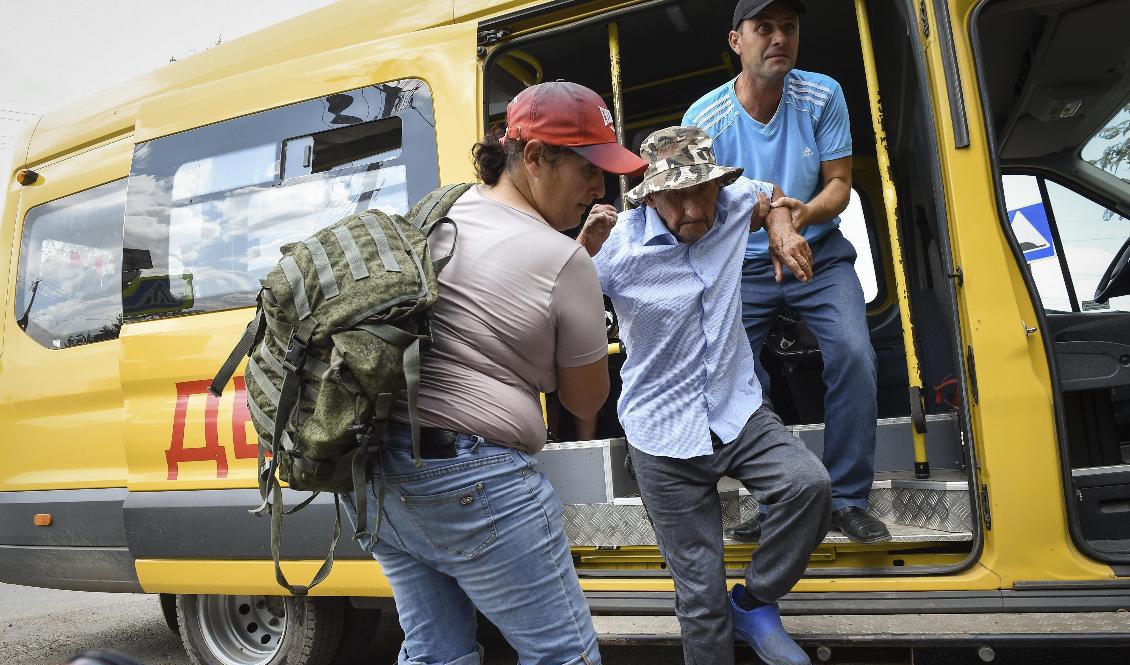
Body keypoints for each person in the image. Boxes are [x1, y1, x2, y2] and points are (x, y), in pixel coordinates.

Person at [343, 81, 648, 665]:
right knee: (566, 656)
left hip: (382, 471)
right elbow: (584, 400)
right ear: (534, 158)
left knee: (437, 653)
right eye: (587, 167)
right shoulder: (564, 260)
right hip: (476, 481)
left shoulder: (440, 211)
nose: (600, 186)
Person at [578, 125, 831, 665]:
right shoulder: (618, 244)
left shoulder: (733, 201)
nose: (695, 207)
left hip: (736, 410)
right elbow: (555, 311)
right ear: (650, 197)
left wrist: (783, 229)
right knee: (699, 595)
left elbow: (770, 201)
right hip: (661, 432)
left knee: (808, 486)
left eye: (703, 190)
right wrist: (581, 255)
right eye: (677, 195)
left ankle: (756, 600)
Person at [684, 0, 890, 544]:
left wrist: (798, 214)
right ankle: (781, 496)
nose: (778, 38)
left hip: (818, 256)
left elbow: (839, 185)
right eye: (764, 28)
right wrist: (772, 216)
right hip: (739, 267)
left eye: (789, 27)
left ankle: (846, 498)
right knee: (736, 378)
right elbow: (699, 209)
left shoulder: (822, 95)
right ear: (737, 41)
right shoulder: (704, 121)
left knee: (853, 353)